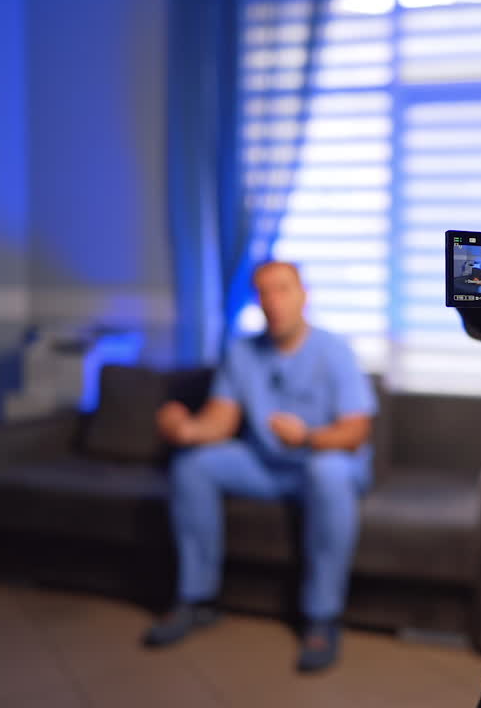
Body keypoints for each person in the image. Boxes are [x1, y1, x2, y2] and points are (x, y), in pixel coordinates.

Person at [142, 261, 376, 674]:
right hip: (265, 466)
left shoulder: (335, 350)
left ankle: (322, 616)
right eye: (264, 293)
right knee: (193, 464)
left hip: (322, 463)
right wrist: (185, 429)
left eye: (282, 290)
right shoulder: (241, 352)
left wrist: (306, 438)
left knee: (329, 471)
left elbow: (355, 433)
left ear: (303, 295)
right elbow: (221, 421)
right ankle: (196, 599)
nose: (273, 302)